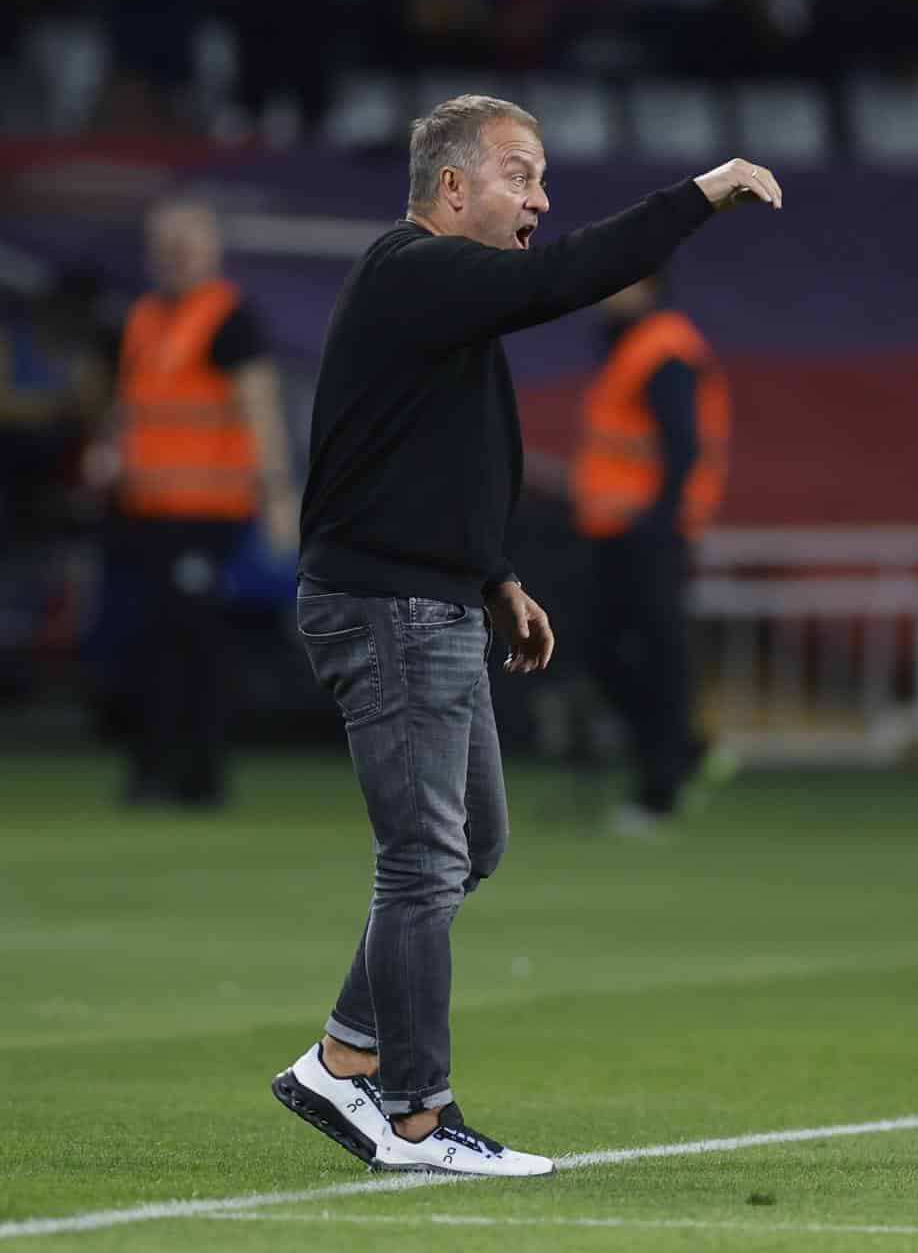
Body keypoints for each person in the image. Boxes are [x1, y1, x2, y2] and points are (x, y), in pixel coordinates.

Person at [273, 93, 780, 1176]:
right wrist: (699, 194)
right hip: (389, 603)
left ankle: (343, 1054)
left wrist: (497, 574)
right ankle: (415, 1116)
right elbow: (565, 278)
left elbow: (437, 453)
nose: (542, 200)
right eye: (522, 175)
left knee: (473, 846)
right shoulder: (412, 269)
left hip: (438, 596)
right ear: (453, 188)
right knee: (422, 861)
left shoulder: (438, 305)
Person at [113, 199, 298, 809]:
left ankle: (196, 776)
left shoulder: (228, 318)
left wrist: (277, 494)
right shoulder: (142, 317)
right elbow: (136, 408)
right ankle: (156, 769)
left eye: (187, 241)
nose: (175, 253)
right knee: (153, 641)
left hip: (209, 511)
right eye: (166, 242)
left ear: (212, 248)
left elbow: (262, 408)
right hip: (148, 509)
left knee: (194, 644)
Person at [571, 272, 732, 837]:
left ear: (647, 286)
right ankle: (681, 751)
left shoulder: (664, 349)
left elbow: (684, 444)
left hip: (647, 530)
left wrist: (660, 520)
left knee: (656, 658)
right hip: (616, 526)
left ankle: (662, 787)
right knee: (607, 654)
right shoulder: (633, 347)